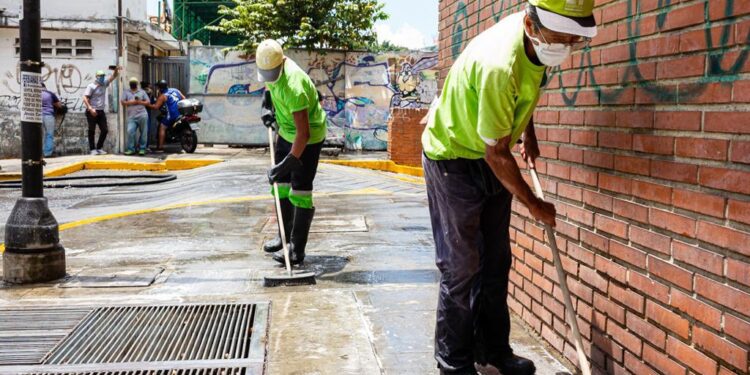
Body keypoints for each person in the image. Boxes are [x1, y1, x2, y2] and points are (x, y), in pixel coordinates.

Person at [421, 1, 597, 374]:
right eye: (561, 35)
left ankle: (492, 350)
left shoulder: (538, 45)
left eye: (574, 38)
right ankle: (453, 363)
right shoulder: (498, 64)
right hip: (452, 155)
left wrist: (526, 132)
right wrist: (535, 205)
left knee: (496, 261)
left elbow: (525, 91)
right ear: (532, 25)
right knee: (462, 265)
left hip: (489, 149)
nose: (566, 44)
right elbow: (497, 154)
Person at [257, 39, 327, 266]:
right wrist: (267, 104)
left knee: (300, 190)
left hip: (308, 138)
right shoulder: (272, 72)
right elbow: (271, 87)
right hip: (286, 133)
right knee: (281, 186)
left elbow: (303, 134)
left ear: (282, 62)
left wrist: (290, 161)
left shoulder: (294, 85)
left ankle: (297, 248)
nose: (269, 78)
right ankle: (283, 236)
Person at [82, 67, 120, 155]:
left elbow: (114, 76)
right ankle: (92, 149)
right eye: (100, 76)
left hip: (101, 111)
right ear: (96, 76)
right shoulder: (91, 86)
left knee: (105, 130)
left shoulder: (104, 84)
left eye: (103, 76)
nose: (102, 77)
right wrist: (90, 108)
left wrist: (116, 70)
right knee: (92, 130)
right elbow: (85, 98)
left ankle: (99, 148)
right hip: (92, 111)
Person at [147, 80, 185, 152]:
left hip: (171, 115)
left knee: (162, 126)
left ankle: (160, 147)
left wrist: (146, 104)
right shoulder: (175, 90)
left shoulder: (163, 96)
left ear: (160, 88)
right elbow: (184, 98)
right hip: (180, 113)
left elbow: (156, 107)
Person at [121, 78, 150, 155]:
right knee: (130, 131)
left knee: (143, 133)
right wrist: (132, 102)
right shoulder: (126, 92)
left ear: (136, 84)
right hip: (131, 116)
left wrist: (139, 102)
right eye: (131, 83)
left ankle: (142, 149)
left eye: (134, 83)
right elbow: (123, 102)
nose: (133, 84)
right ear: (130, 84)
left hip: (142, 115)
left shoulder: (142, 92)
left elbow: (148, 102)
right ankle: (131, 149)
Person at [41, 83, 63, 157]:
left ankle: (39, 152)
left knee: (40, 135)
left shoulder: (35, 94)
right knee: (49, 134)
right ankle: (47, 153)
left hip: (37, 117)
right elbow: (59, 105)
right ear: (45, 87)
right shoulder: (50, 94)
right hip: (48, 116)